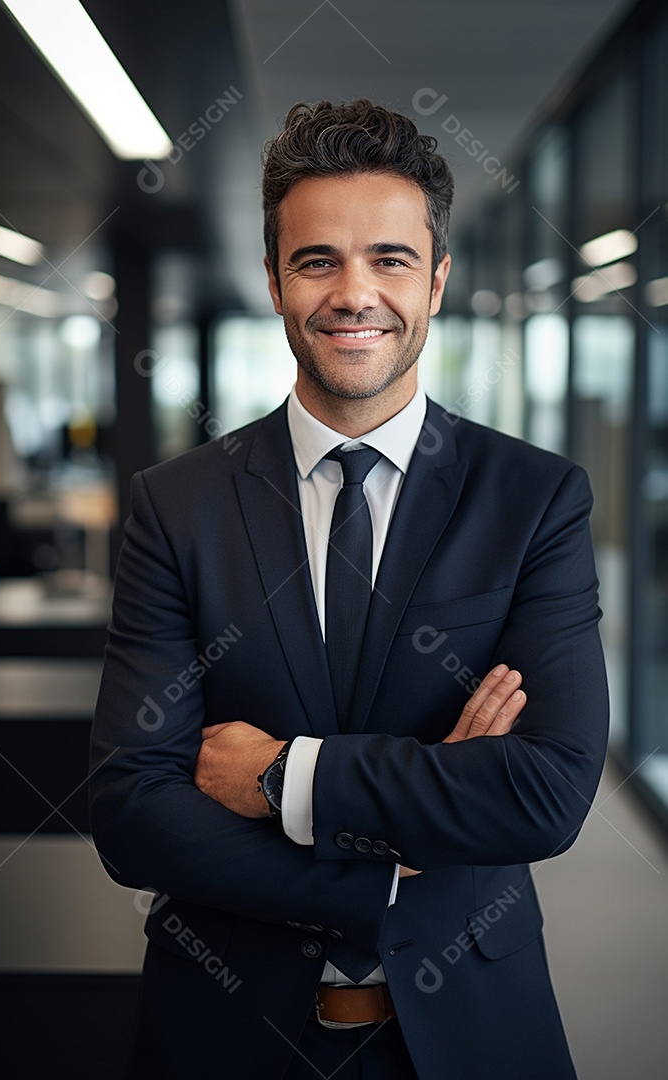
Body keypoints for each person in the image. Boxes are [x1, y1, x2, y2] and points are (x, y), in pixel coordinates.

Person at [89, 98, 609, 1080]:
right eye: (317, 260)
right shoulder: (178, 504)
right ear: (276, 284)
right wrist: (391, 857)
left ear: (438, 279)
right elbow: (130, 808)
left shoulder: (534, 500)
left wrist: (286, 778)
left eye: (389, 258)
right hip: (226, 1032)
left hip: (470, 1027)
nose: (353, 292)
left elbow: (543, 791)